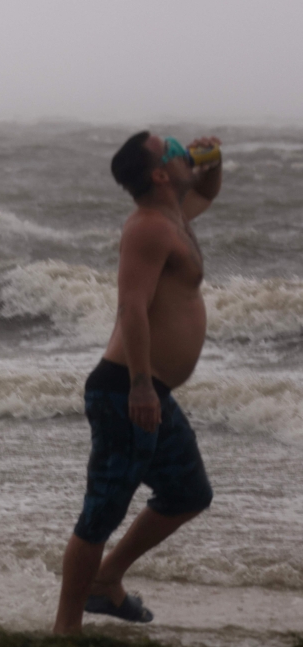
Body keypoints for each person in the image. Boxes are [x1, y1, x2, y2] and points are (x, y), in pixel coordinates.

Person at [52, 131, 222, 634]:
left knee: (189, 493)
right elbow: (131, 306)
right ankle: (66, 630)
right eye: (173, 148)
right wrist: (142, 386)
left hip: (150, 391)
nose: (181, 148)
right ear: (160, 175)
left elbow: (207, 192)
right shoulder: (148, 228)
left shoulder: (177, 214)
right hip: (127, 389)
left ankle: (106, 582)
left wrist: (214, 162)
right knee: (100, 513)